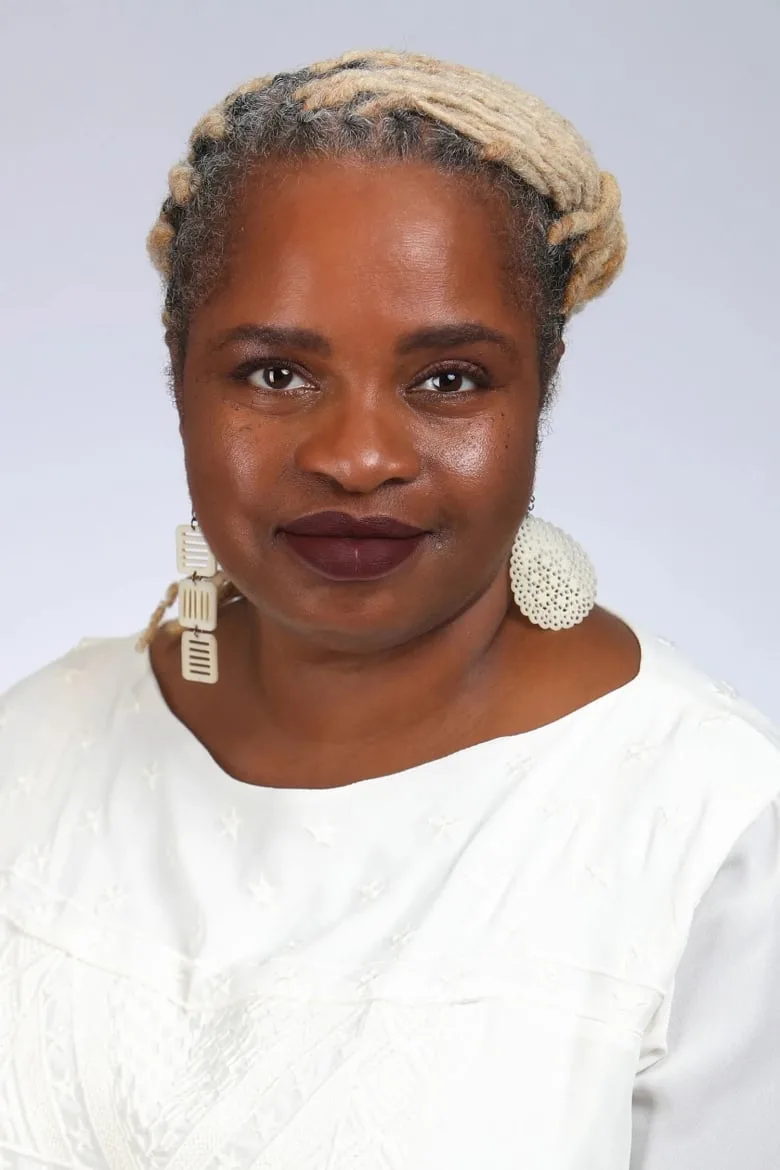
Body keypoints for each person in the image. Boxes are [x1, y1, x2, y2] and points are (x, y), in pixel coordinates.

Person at [0, 48, 778, 1170]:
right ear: (179, 381)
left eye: (450, 378)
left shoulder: (713, 834)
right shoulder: (33, 753)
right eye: (275, 373)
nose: (358, 458)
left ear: (540, 394)